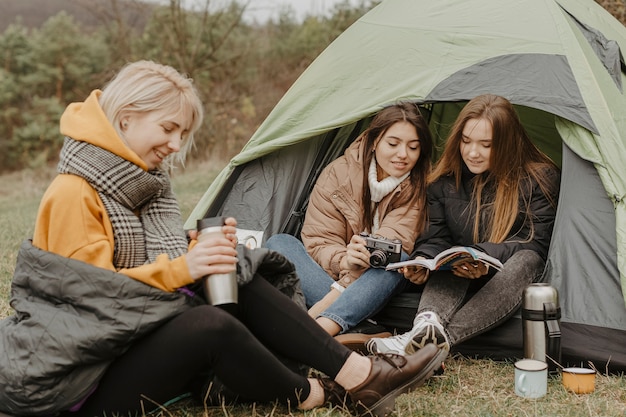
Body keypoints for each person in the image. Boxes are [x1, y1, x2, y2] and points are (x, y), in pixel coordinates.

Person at [0, 61, 448, 417]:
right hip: (80, 379)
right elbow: (93, 300)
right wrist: (184, 266)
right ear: (126, 118)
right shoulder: (75, 190)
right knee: (210, 325)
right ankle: (312, 393)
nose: (176, 145)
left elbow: (131, 257)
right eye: (168, 129)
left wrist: (193, 247)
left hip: (124, 344)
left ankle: (356, 375)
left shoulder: (134, 182)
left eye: (183, 134)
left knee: (233, 273)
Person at [367, 94, 560, 356]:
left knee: (528, 259)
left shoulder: (539, 178)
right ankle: (426, 325)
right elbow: (436, 238)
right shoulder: (444, 182)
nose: (472, 152)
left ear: (507, 144)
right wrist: (423, 259)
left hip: (508, 280)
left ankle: (433, 343)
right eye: (466, 141)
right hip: (460, 274)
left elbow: (536, 242)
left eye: (486, 145)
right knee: (451, 254)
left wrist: (481, 255)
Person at [265, 102, 433, 339]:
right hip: (335, 274)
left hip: (380, 281)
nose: (403, 155)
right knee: (279, 243)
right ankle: (364, 327)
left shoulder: (420, 186)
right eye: (393, 144)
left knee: (396, 260)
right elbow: (320, 241)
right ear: (374, 141)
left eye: (413, 147)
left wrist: (340, 289)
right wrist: (344, 261)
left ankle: (317, 330)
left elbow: (388, 249)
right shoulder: (338, 174)